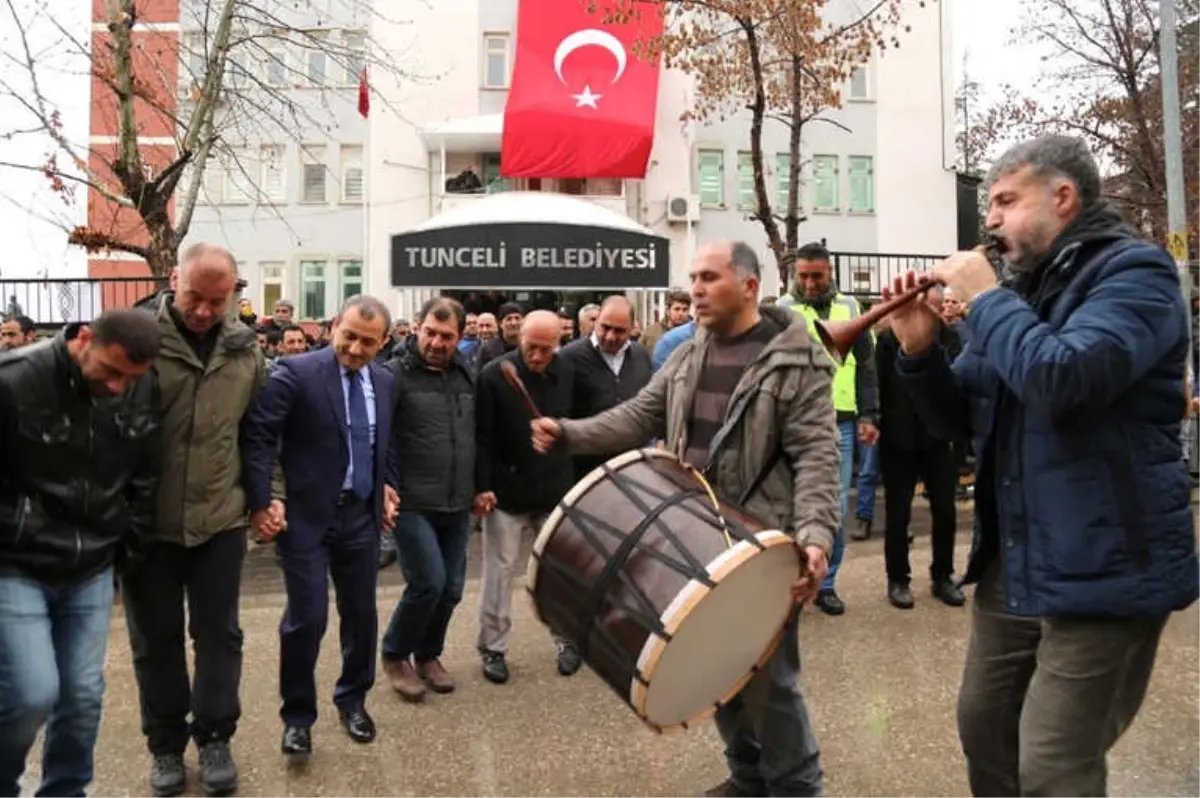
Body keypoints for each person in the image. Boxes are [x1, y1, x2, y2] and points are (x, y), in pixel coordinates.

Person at [886, 135, 1198, 796]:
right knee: (984, 726)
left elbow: (1065, 381)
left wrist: (987, 299)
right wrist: (918, 353)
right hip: (1019, 556)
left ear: (1062, 197)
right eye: (988, 204)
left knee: (1055, 764)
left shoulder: (1135, 274)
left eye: (1005, 200)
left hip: (1106, 559)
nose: (988, 219)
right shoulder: (1020, 292)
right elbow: (961, 419)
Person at [531, 240, 840, 798]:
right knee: (720, 673)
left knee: (771, 685)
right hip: (698, 538)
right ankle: (749, 778)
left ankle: (798, 788)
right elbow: (639, 415)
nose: (694, 288)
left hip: (760, 548)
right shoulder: (689, 351)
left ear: (749, 286)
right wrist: (570, 433)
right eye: (693, 277)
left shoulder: (798, 359)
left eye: (709, 277)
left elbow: (819, 455)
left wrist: (816, 538)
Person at [122, 244, 265, 797]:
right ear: (173, 278)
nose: (204, 310)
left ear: (233, 293)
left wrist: (264, 498)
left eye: (217, 299)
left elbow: (256, 435)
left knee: (220, 636)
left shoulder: (245, 351)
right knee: (154, 640)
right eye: (194, 297)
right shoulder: (138, 341)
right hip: (147, 526)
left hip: (219, 519)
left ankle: (214, 736)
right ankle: (164, 746)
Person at [0, 309, 162, 798]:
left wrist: (127, 540)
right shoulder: (15, 382)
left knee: (83, 695)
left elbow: (145, 472)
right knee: (31, 693)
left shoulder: (140, 384)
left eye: (129, 378)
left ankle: (66, 790)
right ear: (84, 339)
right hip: (17, 563)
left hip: (93, 561)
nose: (118, 387)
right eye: (110, 372)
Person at [241, 295, 400, 757]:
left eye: (367, 342)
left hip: (361, 516)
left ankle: (353, 700)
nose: (354, 348)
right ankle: (297, 718)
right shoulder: (297, 373)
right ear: (334, 326)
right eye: (348, 336)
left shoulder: (386, 383)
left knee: (362, 615)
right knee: (307, 619)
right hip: (307, 517)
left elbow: (386, 444)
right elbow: (260, 436)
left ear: (383, 342)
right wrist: (263, 499)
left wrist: (390, 484)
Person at [380, 297, 481, 702]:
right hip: (411, 501)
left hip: (457, 500)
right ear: (417, 327)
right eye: (431, 333)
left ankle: (428, 655)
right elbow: (380, 439)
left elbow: (479, 434)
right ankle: (394, 654)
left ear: (460, 336)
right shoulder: (391, 376)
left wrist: (482, 486)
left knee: (453, 587)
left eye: (447, 336)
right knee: (428, 582)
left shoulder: (466, 375)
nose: (437, 343)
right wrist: (384, 490)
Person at [475, 310, 580, 682]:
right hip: (506, 488)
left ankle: (566, 638)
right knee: (499, 572)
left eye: (545, 349)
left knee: (558, 570)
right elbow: (482, 437)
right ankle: (493, 647)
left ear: (559, 344)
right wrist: (483, 485)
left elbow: (580, 427)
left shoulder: (568, 372)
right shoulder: (494, 375)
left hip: (554, 487)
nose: (535, 357)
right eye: (529, 347)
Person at [777, 241, 879, 616]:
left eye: (816, 276)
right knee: (788, 506)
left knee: (833, 507)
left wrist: (871, 414)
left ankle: (828, 583)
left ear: (830, 272)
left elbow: (866, 365)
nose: (809, 283)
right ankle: (791, 584)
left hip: (842, 420)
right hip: (792, 422)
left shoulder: (850, 307)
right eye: (803, 276)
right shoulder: (782, 309)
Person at [874, 286, 965, 611]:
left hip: (937, 438)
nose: (934, 310)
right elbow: (879, 385)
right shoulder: (887, 340)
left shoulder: (949, 337)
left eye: (937, 305)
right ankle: (897, 579)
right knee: (898, 514)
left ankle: (943, 576)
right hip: (898, 438)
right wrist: (874, 422)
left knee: (945, 509)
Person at [559, 295, 653, 480]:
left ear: (632, 328)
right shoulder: (569, 358)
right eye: (605, 327)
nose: (610, 337)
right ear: (596, 321)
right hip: (585, 472)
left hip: (633, 469)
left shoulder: (641, 356)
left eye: (619, 331)